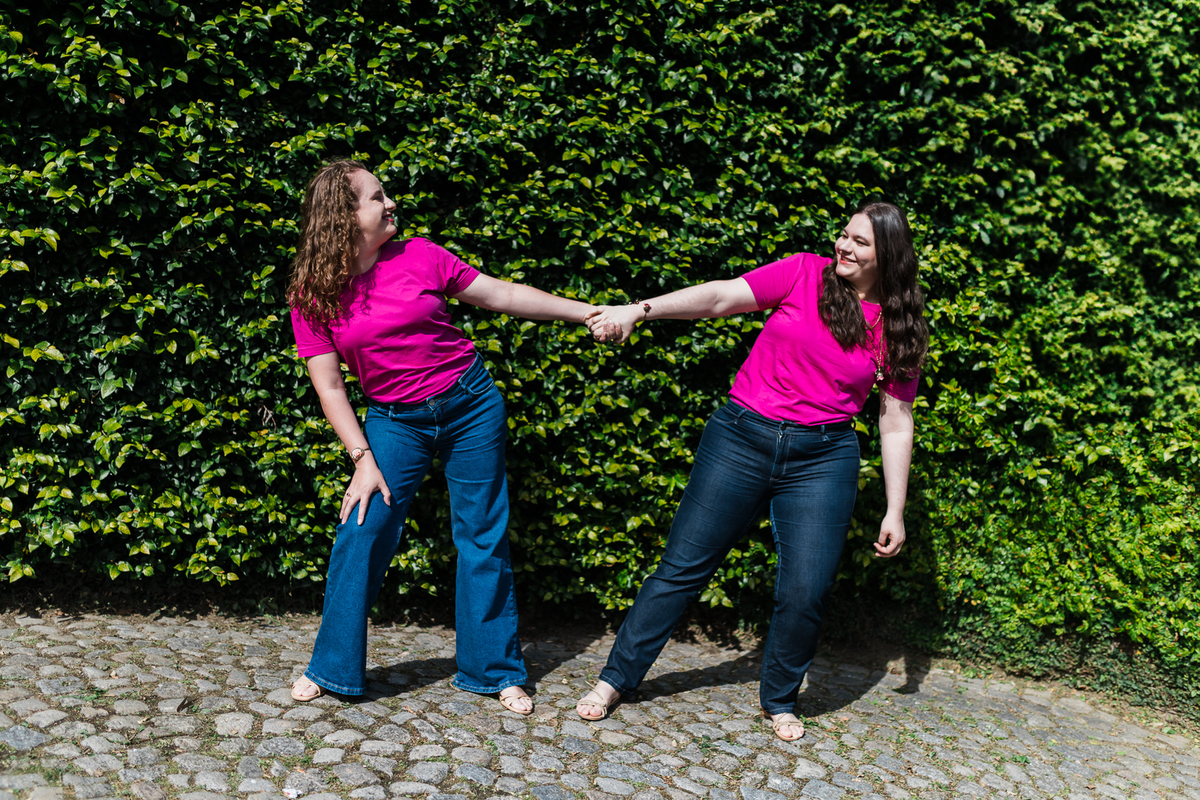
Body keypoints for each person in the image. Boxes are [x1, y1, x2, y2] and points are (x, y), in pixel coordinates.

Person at [576, 202, 929, 740]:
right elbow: (720, 296)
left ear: (889, 256)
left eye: (860, 243)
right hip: (742, 436)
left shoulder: (900, 327)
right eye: (843, 235)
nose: (843, 246)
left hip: (823, 456)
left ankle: (780, 699)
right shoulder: (805, 273)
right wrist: (639, 310)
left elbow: (896, 420)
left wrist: (895, 509)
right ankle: (615, 680)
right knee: (682, 567)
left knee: (806, 590)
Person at [286, 159, 613, 714]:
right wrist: (362, 458)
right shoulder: (314, 296)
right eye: (376, 197)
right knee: (361, 532)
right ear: (343, 217)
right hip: (395, 421)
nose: (391, 204)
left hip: (470, 404)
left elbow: (503, 295)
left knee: (482, 536)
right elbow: (332, 389)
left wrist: (587, 313)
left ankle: (494, 670)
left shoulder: (421, 255)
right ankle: (333, 667)